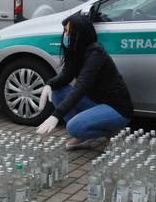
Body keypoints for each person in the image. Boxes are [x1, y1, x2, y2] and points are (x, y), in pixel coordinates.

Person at [36, 13, 133, 150]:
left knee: (73, 127)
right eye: (65, 31)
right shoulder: (76, 50)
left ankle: (112, 133)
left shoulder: (95, 54)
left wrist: (55, 116)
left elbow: (81, 87)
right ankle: (82, 137)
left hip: (116, 109)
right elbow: (66, 75)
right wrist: (49, 84)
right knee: (58, 91)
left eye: (69, 32)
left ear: (79, 34)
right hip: (95, 103)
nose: (65, 35)